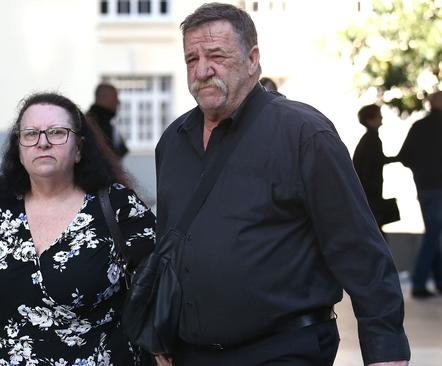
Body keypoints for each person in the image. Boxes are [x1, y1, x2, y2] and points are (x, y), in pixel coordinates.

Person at [154, 3, 409, 366]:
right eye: (191, 59)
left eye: (216, 55)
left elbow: (357, 247)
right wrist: (160, 328)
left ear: (253, 59)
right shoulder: (173, 141)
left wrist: (386, 349)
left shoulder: (304, 133)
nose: (203, 69)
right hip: (191, 353)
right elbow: (170, 245)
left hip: (283, 350)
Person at [0, 92, 155, 366]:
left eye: (57, 132)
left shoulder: (118, 207)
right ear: (19, 150)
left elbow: (158, 288)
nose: (43, 142)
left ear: (79, 148)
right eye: (31, 134)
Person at [398, 90, 442, 299]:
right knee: (433, 235)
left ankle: (436, 280)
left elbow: (405, 156)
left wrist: (422, 171)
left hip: (425, 187)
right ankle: (419, 282)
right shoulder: (427, 126)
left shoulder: (419, 126)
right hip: (435, 187)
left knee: (434, 234)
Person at [352, 104, 399, 236]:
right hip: (370, 195)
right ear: (370, 119)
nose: (381, 117)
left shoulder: (369, 139)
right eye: (378, 115)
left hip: (368, 194)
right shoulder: (371, 140)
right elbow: (371, 165)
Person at [86, 83, 129, 158]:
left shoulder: (91, 121)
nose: (118, 102)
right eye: (115, 97)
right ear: (105, 97)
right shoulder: (96, 124)